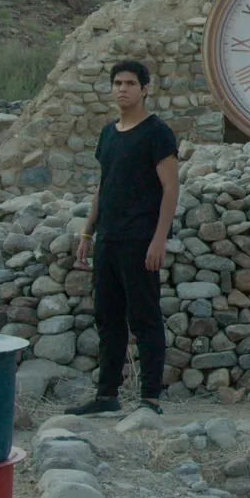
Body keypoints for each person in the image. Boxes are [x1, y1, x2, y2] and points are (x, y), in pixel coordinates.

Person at [69, 60, 180, 415]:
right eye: (117, 82)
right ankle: (106, 397)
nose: (123, 89)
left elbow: (170, 188)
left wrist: (159, 239)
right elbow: (104, 185)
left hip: (140, 239)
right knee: (108, 317)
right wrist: (88, 231)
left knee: (144, 317)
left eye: (131, 83)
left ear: (145, 89)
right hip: (109, 239)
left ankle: (150, 399)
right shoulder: (108, 133)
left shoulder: (157, 133)